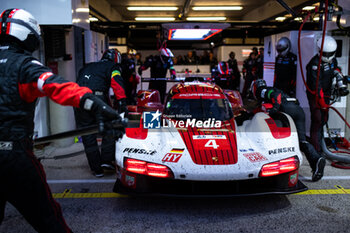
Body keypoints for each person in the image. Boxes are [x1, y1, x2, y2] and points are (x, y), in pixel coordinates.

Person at [0, 8, 124, 232]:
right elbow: (56, 87)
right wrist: (96, 104)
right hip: (14, 158)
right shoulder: (24, 66)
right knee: (49, 220)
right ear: (25, 34)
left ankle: (97, 166)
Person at [251, 79, 326, 181]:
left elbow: (275, 95)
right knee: (301, 141)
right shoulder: (279, 90)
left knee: (277, 139)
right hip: (298, 110)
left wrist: (275, 109)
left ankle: (278, 167)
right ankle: (316, 159)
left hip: (286, 111)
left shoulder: (262, 90)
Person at [75, 48, 127, 177]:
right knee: (110, 126)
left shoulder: (87, 66)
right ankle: (106, 160)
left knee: (87, 134)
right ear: (116, 59)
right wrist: (122, 102)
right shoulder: (112, 66)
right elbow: (117, 83)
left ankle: (96, 168)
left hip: (78, 99)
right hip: (97, 99)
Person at [306, 35, 349, 153]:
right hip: (315, 95)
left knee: (324, 120)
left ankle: (321, 145)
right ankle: (316, 150)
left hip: (326, 93)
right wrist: (321, 101)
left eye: (330, 54)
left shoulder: (333, 60)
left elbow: (336, 70)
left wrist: (340, 80)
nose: (328, 57)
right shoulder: (314, 64)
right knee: (317, 120)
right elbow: (316, 85)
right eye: (325, 53)